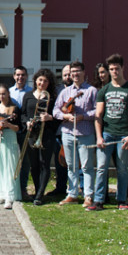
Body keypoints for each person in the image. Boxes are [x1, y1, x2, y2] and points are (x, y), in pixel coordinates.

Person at [92, 54, 128, 211]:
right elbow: (98, 116)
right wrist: (99, 137)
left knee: (122, 168)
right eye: (111, 69)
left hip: (123, 135)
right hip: (107, 134)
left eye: (117, 68)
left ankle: (122, 200)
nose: (114, 72)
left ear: (122, 68)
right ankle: (98, 201)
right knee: (101, 167)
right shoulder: (104, 91)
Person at [54, 61, 98, 207]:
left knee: (86, 166)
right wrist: (65, 116)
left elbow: (97, 111)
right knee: (71, 165)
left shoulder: (91, 90)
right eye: (73, 72)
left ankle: (88, 195)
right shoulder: (65, 92)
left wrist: (83, 116)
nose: (75, 74)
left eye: (78, 71)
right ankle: (72, 194)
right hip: (68, 133)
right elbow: (56, 111)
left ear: (84, 72)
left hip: (85, 133)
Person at [22, 68, 57, 205]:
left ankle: (40, 194)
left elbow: (58, 116)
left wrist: (50, 117)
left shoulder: (52, 97)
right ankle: (37, 190)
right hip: (32, 133)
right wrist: (27, 122)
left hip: (46, 134)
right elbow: (23, 114)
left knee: (44, 164)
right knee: (34, 165)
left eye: (45, 81)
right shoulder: (28, 96)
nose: (42, 83)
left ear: (49, 83)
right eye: (40, 80)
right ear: (35, 80)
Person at [9, 65, 31, 200]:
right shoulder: (9, 92)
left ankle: (23, 189)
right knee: (11, 159)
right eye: (18, 75)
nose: (20, 77)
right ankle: (11, 188)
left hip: (25, 129)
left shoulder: (31, 92)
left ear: (26, 77)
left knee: (25, 160)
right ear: (14, 76)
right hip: (11, 129)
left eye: (23, 75)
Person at [52, 63, 73, 198]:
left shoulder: (79, 90)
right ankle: (60, 187)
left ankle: (77, 188)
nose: (68, 77)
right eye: (65, 74)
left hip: (75, 131)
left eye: (70, 74)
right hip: (59, 131)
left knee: (75, 163)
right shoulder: (57, 90)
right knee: (60, 162)